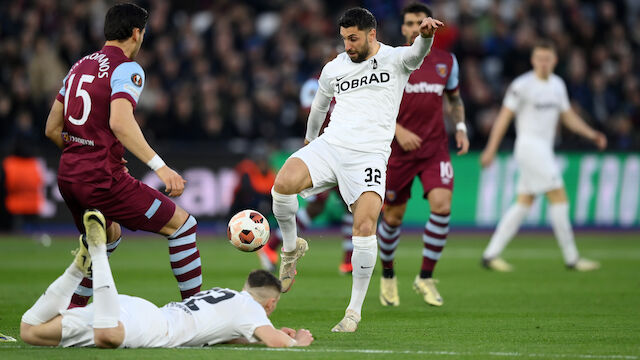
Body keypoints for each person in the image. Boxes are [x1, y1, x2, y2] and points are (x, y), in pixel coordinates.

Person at [271, 7, 442, 332]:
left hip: (369, 156)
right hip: (332, 145)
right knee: (282, 184)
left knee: (364, 228)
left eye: (353, 38)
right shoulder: (334, 68)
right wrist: (310, 141)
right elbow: (320, 106)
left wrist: (425, 36)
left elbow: (418, 54)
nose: (347, 45)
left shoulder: (395, 59)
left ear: (371, 34)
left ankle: (353, 312)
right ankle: (291, 249)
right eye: (344, 39)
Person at [43, 3, 202, 305]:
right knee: (183, 226)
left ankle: (67, 313)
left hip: (68, 175)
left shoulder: (79, 65)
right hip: (102, 178)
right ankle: (197, 314)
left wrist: (82, 148)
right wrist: (161, 167)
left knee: (106, 237)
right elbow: (120, 121)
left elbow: (52, 127)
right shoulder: (127, 68)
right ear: (136, 33)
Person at [20, 210, 314, 348]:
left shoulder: (226, 295)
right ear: (271, 304)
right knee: (106, 337)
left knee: (30, 332)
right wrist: (299, 340)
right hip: (150, 329)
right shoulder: (251, 310)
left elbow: (223, 331)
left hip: (134, 310)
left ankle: (77, 268)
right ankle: (97, 252)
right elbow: (277, 343)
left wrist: (252, 337)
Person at [480, 41, 607, 272]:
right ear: (533, 60)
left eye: (548, 58)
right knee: (559, 196)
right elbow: (503, 118)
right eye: (540, 58)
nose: (543, 63)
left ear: (555, 60)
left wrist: (591, 134)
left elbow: (567, 116)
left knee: (523, 203)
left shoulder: (558, 85)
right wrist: (491, 149)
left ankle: (490, 254)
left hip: (544, 149)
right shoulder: (522, 85)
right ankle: (572, 258)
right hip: (529, 147)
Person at [377, 2, 469, 308]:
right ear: (403, 29)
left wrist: (461, 127)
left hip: (434, 149)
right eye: (411, 23)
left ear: (430, 25)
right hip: (398, 153)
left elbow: (454, 99)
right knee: (393, 217)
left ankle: (425, 277)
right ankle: (388, 274)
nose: (417, 27)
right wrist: (398, 130)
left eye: (421, 21)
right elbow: (374, 108)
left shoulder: (447, 62)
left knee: (442, 207)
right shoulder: (391, 61)